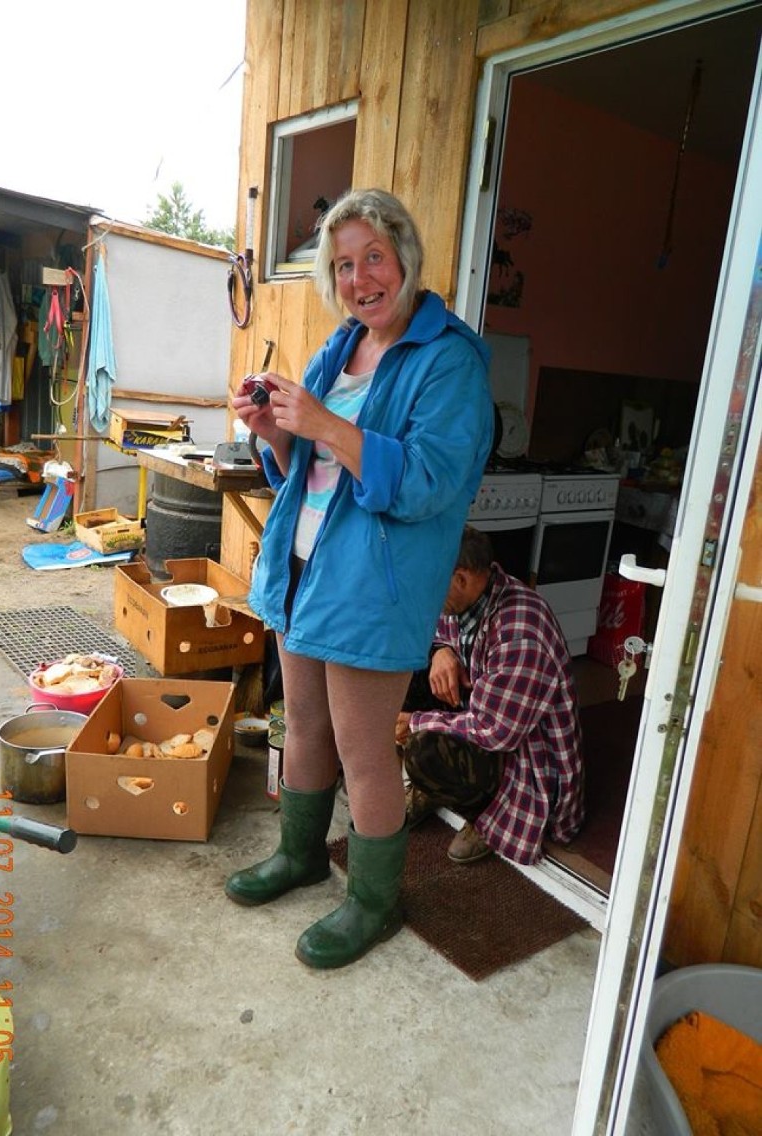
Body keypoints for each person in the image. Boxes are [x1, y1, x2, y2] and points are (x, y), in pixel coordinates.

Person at [223, 188, 494, 969]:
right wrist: (276, 432)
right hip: (305, 565)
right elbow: (300, 475)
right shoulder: (340, 347)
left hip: (375, 582)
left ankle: (375, 901)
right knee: (302, 724)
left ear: (405, 256)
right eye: (342, 264)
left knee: (366, 749)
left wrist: (325, 424)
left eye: (372, 256)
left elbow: (431, 481)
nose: (359, 277)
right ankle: (302, 855)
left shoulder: (451, 360)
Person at [396, 526, 585, 866]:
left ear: (461, 578)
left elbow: (496, 730)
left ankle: (486, 815)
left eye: (431, 581)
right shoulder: (469, 595)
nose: (424, 593)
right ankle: (434, 788)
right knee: (407, 664)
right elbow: (436, 631)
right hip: (484, 716)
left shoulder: (521, 629)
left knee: (424, 748)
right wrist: (442, 651)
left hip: (524, 762)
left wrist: (415, 722)